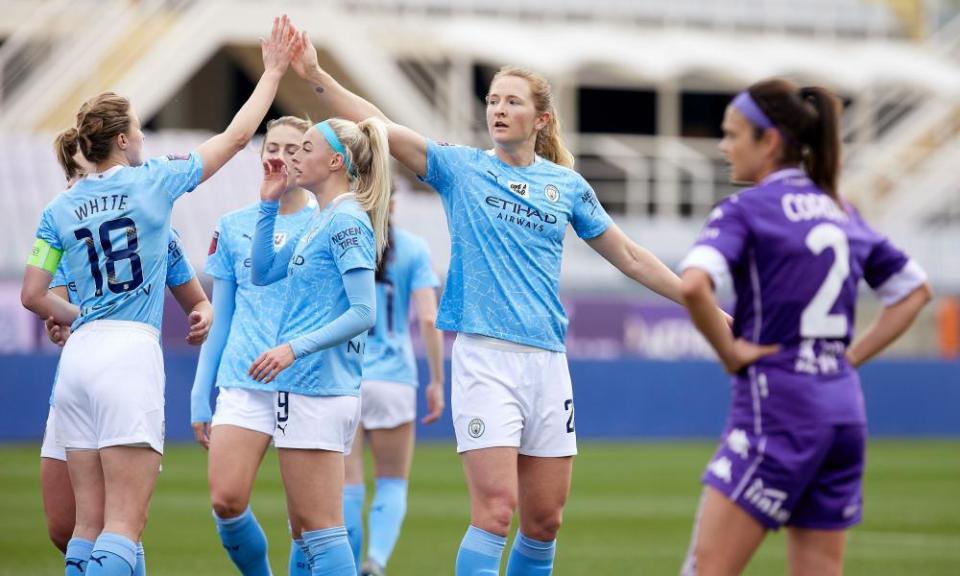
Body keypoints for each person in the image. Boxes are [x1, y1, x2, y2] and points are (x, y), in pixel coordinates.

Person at [286, 26, 712, 575]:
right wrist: (317, 77)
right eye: (492, 100)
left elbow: (628, 255)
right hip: (486, 360)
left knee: (545, 522)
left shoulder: (567, 185)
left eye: (512, 101)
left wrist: (695, 301)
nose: (498, 109)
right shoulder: (463, 168)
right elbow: (379, 126)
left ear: (541, 120)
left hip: (548, 362)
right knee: (495, 511)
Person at [20, 16, 296, 576]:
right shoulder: (153, 182)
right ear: (122, 140)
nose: (145, 138)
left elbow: (33, 293)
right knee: (125, 525)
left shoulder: (57, 210)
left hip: (79, 358)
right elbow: (237, 138)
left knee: (86, 528)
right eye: (140, 131)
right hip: (128, 354)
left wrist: (71, 315)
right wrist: (270, 74)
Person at [678, 79, 932, 576]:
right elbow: (914, 291)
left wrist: (731, 355)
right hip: (843, 413)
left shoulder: (745, 209)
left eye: (733, 135)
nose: (723, 146)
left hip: (778, 410)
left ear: (769, 141)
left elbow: (693, 286)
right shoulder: (842, 210)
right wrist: (848, 359)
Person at [42, 149, 212, 572]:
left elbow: (197, 299)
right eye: (75, 176)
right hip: (90, 376)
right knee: (73, 526)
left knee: (108, 523)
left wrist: (203, 313)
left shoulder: (154, 230)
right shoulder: (65, 227)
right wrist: (61, 319)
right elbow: (50, 300)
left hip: (97, 367)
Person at [247, 115, 392, 576]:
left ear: (334, 161)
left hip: (318, 387)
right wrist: (268, 205)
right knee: (306, 528)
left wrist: (293, 348)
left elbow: (363, 312)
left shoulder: (346, 220)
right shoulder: (321, 218)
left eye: (305, 148)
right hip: (307, 387)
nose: (293, 156)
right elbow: (262, 271)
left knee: (320, 527)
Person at [189, 115, 315, 576]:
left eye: (293, 148)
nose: (280, 156)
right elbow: (220, 318)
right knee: (226, 500)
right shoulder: (232, 225)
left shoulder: (328, 221)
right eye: (272, 147)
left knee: (308, 521)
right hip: (243, 379)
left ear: (309, 157)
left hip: (306, 382)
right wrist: (201, 393)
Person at [340, 211, 446, 576]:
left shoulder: (339, 238)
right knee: (392, 481)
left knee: (347, 482)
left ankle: (349, 568)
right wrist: (437, 381)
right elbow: (430, 319)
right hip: (394, 380)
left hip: (345, 375)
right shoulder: (413, 248)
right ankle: (377, 561)